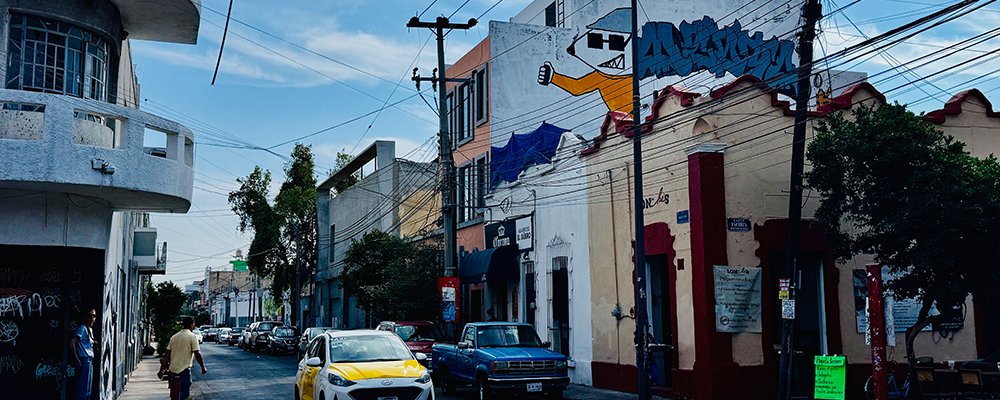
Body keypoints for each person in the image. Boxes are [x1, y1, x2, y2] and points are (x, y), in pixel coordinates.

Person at [162, 316, 207, 400]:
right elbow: (197, 353)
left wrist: (162, 369)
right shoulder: (192, 337)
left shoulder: (174, 337)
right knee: (184, 394)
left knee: (174, 393)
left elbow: (166, 355)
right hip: (184, 370)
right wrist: (202, 367)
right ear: (192, 325)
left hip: (173, 370)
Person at [68, 308, 96, 400]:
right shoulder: (82, 328)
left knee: (88, 388)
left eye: (94, 316)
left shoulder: (90, 329)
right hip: (84, 360)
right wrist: (77, 358)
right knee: (83, 388)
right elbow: (72, 343)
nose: (92, 318)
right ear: (85, 317)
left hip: (89, 360)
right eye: (89, 316)